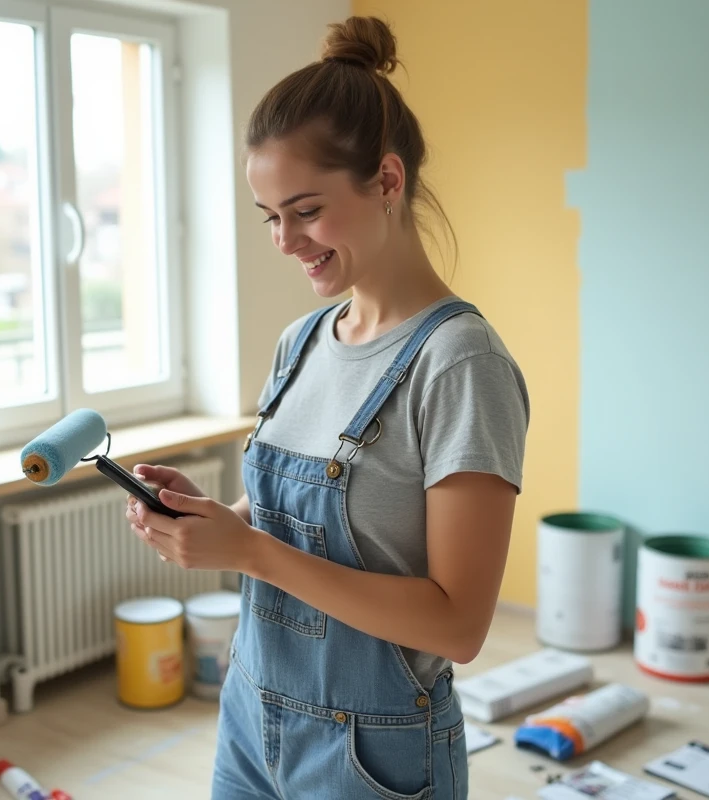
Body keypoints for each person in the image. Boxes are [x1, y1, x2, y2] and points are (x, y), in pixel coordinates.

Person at [125, 14, 528, 799]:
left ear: (386, 180)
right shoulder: (301, 342)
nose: (284, 240)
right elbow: (284, 524)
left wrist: (251, 554)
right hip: (249, 716)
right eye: (271, 216)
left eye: (305, 211)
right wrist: (215, 522)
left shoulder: (458, 363)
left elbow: (458, 625)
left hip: (372, 755)